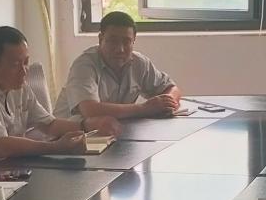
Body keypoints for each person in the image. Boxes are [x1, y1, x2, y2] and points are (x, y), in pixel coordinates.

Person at [0, 25, 121, 164]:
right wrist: (56, 147)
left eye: (26, 62)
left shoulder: (18, 85)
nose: (24, 71)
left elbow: (49, 125)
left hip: (9, 169)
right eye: (15, 65)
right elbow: (0, 147)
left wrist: (88, 125)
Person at [53, 10, 182, 120]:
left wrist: (167, 103)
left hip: (111, 132)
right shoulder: (84, 65)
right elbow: (90, 110)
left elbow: (172, 88)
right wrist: (144, 108)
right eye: (113, 41)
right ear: (100, 39)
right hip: (69, 135)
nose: (120, 49)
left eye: (126, 42)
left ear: (134, 41)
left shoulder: (139, 62)